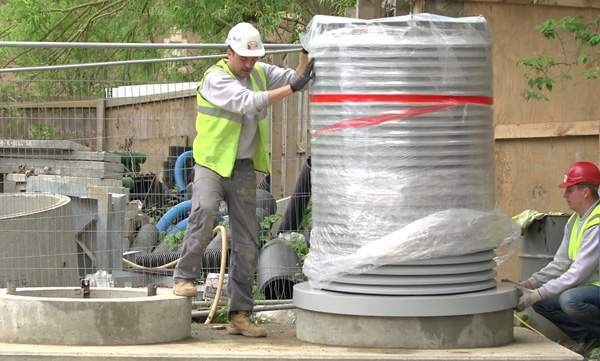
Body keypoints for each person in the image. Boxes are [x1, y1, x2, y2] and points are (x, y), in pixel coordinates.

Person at [172, 22, 314, 337]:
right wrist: (294, 87)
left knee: (248, 239)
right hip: (211, 163)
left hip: (243, 167)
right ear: (229, 52)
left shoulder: (259, 72)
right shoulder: (216, 78)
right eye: (243, 58)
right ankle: (183, 277)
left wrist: (306, 53)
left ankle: (241, 314)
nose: (249, 64)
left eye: (253, 58)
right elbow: (250, 102)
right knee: (205, 211)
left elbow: (295, 79)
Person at [517, 161, 600, 352]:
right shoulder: (575, 220)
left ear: (585, 192)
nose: (564, 195)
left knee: (570, 300)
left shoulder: (597, 223)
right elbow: (560, 263)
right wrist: (531, 283)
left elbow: (577, 273)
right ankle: (589, 339)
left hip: (594, 287)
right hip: (588, 287)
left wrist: (537, 293)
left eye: (570, 190)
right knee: (543, 302)